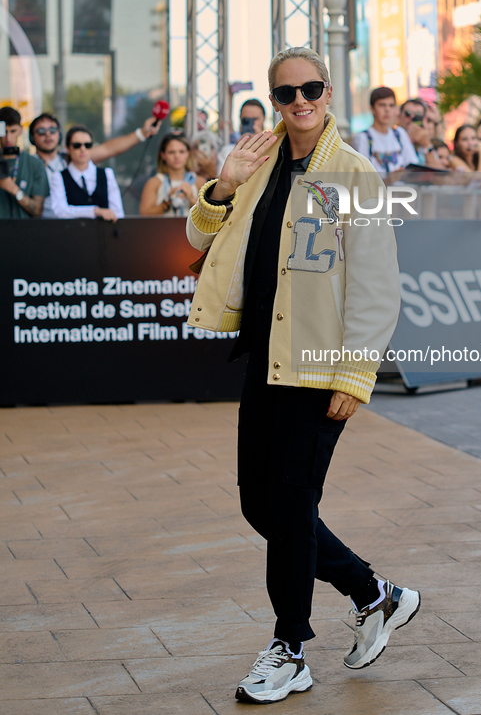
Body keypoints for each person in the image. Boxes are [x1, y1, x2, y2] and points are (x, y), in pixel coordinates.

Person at [186, 47, 420, 704]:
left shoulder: (357, 176)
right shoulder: (255, 168)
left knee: (287, 507)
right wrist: (222, 187)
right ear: (274, 98)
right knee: (260, 505)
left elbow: (377, 290)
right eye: (285, 93)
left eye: (310, 88)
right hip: (264, 359)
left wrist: (354, 374)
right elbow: (200, 235)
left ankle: (289, 647)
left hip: (318, 371)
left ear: (326, 90)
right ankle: (374, 594)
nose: (299, 101)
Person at [29, 112, 163, 217]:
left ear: (59, 134)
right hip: (45, 227)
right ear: (32, 137)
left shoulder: (72, 156)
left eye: (52, 130)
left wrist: (142, 133)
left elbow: (108, 149)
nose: (47, 134)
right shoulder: (28, 165)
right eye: (41, 131)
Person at [49, 126, 124, 221]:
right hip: (72, 233)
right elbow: (60, 211)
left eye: (87, 145)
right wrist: (95, 211)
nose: (83, 149)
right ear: (68, 148)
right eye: (77, 145)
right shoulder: (59, 177)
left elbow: (118, 212)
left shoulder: (107, 173)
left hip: (103, 233)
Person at [351, 86, 418, 175]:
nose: (387, 110)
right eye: (382, 105)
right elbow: (362, 177)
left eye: (391, 105)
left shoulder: (400, 134)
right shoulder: (363, 138)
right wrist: (389, 179)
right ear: (372, 109)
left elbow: (413, 166)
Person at [0, 106, 49, 218]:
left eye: (13, 131)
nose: (8, 138)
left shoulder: (34, 164)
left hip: (24, 232)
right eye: (4, 132)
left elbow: (38, 211)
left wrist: (15, 190)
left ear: (20, 131)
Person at [139, 133, 203, 216]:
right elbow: (144, 215)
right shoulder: (154, 182)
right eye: (171, 152)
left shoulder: (199, 181)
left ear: (188, 153)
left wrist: (191, 198)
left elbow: (209, 216)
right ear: (163, 155)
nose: (177, 156)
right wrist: (168, 202)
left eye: (181, 152)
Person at [217, 98, 267, 174]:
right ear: (240, 119)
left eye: (255, 119)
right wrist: (237, 150)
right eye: (246, 120)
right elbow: (220, 182)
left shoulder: (272, 148)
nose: (251, 123)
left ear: (263, 119)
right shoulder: (227, 151)